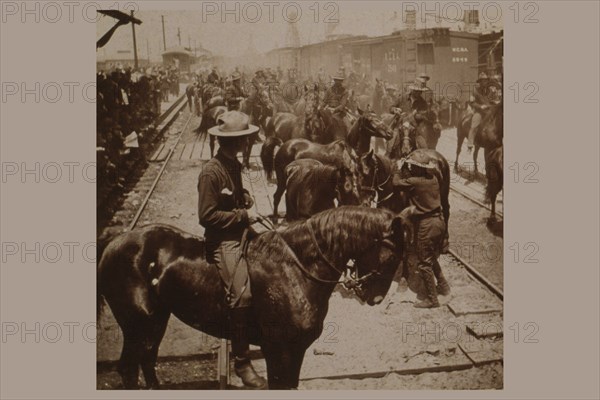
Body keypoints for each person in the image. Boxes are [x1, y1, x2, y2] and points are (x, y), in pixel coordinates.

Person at [197, 111, 266, 388]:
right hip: (222, 239)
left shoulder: (233, 164)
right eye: (244, 139)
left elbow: (233, 197)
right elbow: (206, 215)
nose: (247, 143)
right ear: (235, 141)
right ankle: (242, 362)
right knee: (242, 294)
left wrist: (243, 197)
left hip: (240, 231)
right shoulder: (210, 172)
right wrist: (242, 216)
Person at [392, 151, 451, 308]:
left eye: (413, 166)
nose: (410, 168)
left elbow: (395, 183)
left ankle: (432, 299)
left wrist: (398, 168)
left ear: (419, 168)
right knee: (430, 256)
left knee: (423, 262)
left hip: (426, 225)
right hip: (439, 222)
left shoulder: (415, 181)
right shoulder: (434, 179)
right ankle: (444, 286)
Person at [466, 71, 492, 152]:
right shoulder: (475, 91)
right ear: (479, 82)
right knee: (474, 125)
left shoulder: (490, 90)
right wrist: (480, 107)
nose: (484, 82)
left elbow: (494, 100)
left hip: (490, 111)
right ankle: (470, 145)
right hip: (479, 111)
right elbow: (472, 102)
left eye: (485, 80)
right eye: (482, 81)